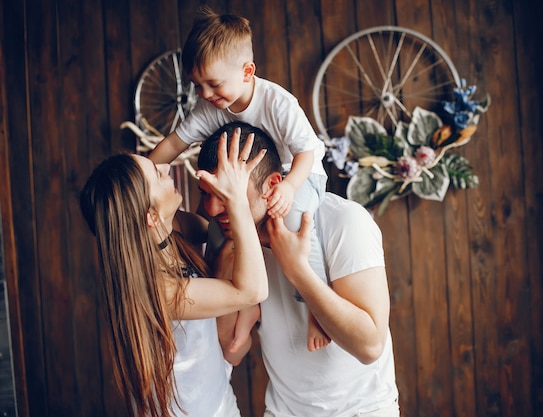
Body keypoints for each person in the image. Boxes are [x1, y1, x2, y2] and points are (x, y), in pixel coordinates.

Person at [149, 5, 330, 351]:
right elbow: (174, 142)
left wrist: (291, 186)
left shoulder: (277, 102)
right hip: (253, 192)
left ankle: (315, 306)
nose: (204, 94)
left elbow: (309, 151)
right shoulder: (210, 107)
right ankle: (245, 311)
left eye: (213, 84)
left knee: (295, 224)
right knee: (220, 240)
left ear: (247, 72)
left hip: (300, 176)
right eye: (197, 86)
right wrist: (142, 172)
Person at [196, 122, 400, 417]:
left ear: (272, 186)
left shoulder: (343, 221)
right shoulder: (231, 245)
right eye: (207, 193)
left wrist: (297, 269)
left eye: (227, 194)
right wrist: (224, 263)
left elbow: (369, 346)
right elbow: (232, 349)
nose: (212, 209)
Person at [80, 128, 268, 417]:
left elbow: (217, 231)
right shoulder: (156, 289)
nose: (167, 166)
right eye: (158, 174)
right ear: (151, 216)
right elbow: (252, 290)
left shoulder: (168, 230)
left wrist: (208, 119)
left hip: (217, 398)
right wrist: (236, 196)